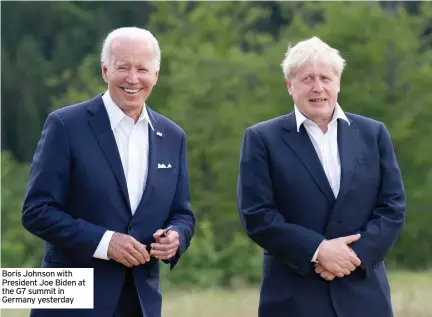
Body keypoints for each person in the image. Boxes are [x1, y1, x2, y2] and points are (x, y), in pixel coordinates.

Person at [22, 27, 195, 317]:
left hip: (141, 302)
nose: (132, 78)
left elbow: (183, 213)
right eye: (123, 67)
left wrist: (176, 237)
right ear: (105, 70)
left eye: (142, 69)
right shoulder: (65, 125)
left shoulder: (173, 135)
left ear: (156, 75)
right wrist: (105, 242)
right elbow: (36, 211)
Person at [237, 36, 406, 317]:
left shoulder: (373, 133)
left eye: (325, 78)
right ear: (290, 86)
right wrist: (318, 250)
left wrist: (353, 255)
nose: (318, 88)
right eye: (307, 79)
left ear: (338, 82)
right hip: (294, 297)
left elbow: (393, 207)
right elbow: (257, 214)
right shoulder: (261, 138)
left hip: (364, 295)